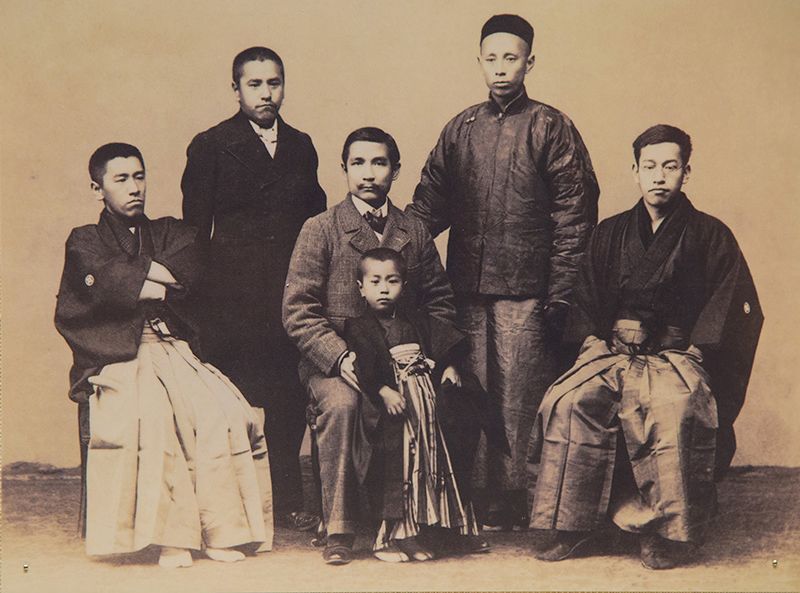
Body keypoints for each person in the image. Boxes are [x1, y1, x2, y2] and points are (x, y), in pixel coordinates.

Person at [529, 125, 763, 569]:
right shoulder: (610, 232)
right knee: (570, 401)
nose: (659, 176)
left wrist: (697, 352)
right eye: (650, 166)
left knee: (673, 407)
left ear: (686, 173)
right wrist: (593, 341)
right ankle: (578, 525)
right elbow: (586, 296)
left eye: (670, 167)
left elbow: (730, 306)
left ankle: (668, 532)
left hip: (678, 356)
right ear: (634, 171)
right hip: (614, 352)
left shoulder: (711, 234)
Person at [406, 13, 600, 530]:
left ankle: (518, 496)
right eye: (490, 58)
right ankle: (470, 493)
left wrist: (561, 293)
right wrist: (395, 254)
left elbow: (575, 215)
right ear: (478, 61)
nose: (499, 68)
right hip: (465, 289)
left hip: (527, 289)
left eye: (510, 58)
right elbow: (428, 204)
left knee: (518, 395)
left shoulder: (550, 126)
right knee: (471, 388)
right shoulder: (461, 128)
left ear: (529, 62)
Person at [55, 143, 273, 568]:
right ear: (97, 188)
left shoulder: (172, 230)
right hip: (119, 356)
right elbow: (114, 285)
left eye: (139, 176)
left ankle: (219, 532)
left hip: (172, 346)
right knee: (153, 418)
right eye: (121, 179)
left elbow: (186, 271)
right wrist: (155, 281)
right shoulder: (84, 239)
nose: (134, 187)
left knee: (222, 413)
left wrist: (129, 277)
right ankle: (173, 539)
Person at [283, 127, 488, 564]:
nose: (368, 173)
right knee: (343, 405)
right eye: (358, 163)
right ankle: (340, 528)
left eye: (379, 163)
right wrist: (339, 357)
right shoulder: (321, 228)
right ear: (343, 169)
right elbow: (298, 310)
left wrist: (439, 360)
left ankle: (438, 522)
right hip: (338, 362)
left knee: (451, 398)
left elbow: (439, 301)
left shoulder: (414, 230)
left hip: (408, 358)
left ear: (395, 170)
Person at [181, 46, 326, 532]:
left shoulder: (301, 145)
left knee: (288, 396)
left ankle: (286, 499)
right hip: (232, 297)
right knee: (236, 397)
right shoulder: (210, 145)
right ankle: (235, 505)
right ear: (236, 89)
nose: (266, 94)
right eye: (255, 84)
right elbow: (195, 231)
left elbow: (315, 222)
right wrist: (200, 306)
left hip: (289, 291)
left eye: (274, 83)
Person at [343, 248, 480, 563]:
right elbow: (363, 368)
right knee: (402, 469)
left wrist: (449, 366)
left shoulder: (416, 320)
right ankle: (394, 538)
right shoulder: (359, 327)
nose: (384, 289)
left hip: (427, 410)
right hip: (396, 411)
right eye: (375, 281)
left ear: (403, 286)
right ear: (361, 288)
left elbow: (445, 344)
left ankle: (430, 532)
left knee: (431, 465)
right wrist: (383, 391)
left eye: (392, 281)